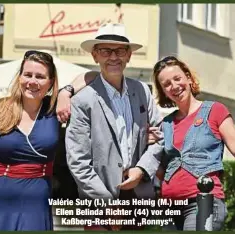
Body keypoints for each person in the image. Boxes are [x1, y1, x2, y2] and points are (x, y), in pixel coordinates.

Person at [151, 56, 235, 231]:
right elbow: (161, 171)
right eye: (166, 84)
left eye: (177, 78)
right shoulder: (166, 124)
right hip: (170, 208)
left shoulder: (215, 110)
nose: (174, 86)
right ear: (164, 91)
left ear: (188, 78)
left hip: (203, 203)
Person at [64, 23, 163, 230]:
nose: (113, 56)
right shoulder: (82, 101)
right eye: (105, 51)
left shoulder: (143, 91)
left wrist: (141, 170)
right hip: (99, 200)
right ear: (95, 56)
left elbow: (160, 137)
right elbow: (78, 161)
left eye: (119, 50)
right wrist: (107, 203)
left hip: (138, 197)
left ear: (128, 55)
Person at [0, 50, 60, 231]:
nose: (32, 81)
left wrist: (67, 92)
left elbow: (91, 77)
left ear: (51, 82)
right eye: (27, 74)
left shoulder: (55, 109)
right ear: (19, 77)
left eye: (40, 76)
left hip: (36, 195)